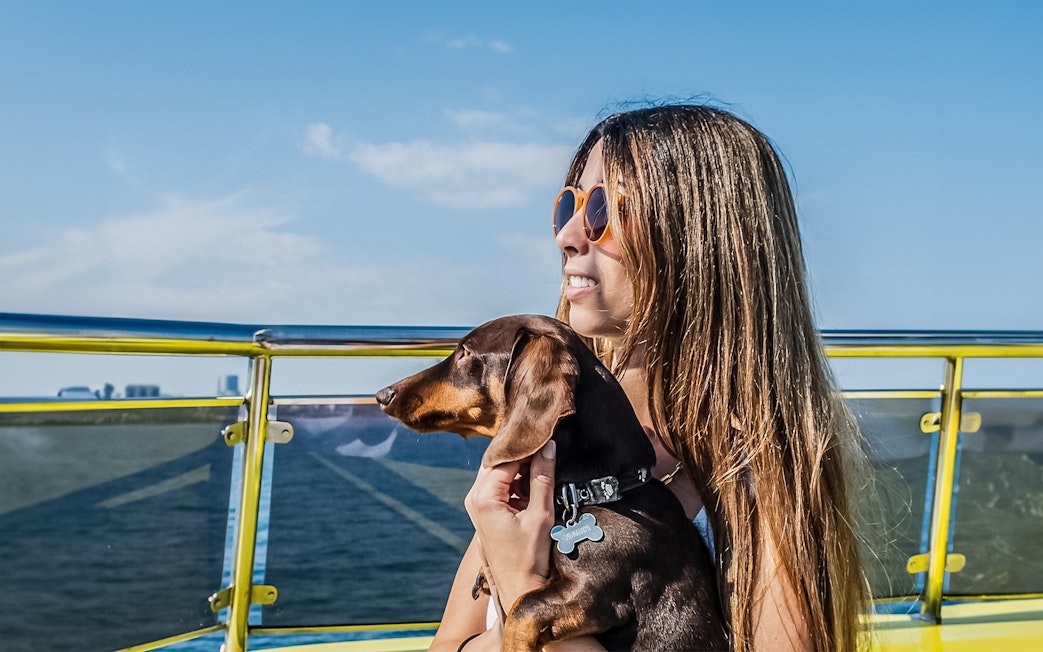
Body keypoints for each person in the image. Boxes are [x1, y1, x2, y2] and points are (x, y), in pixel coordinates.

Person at [430, 104, 867, 651]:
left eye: (604, 210)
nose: (567, 235)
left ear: (703, 239)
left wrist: (523, 585)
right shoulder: (559, 435)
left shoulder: (754, 473)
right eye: (569, 204)